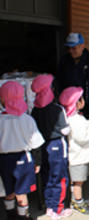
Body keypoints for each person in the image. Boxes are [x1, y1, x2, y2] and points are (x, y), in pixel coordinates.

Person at [0, 81, 45, 220]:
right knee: (22, 192)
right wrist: (37, 162)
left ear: (2, 99)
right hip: (23, 159)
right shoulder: (27, 119)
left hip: (4, 160)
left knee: (9, 190)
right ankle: (23, 216)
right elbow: (36, 143)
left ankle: (10, 214)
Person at [31, 74, 72, 219]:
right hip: (57, 145)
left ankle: (49, 206)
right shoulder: (57, 109)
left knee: (46, 176)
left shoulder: (34, 110)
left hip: (42, 146)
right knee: (59, 177)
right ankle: (58, 209)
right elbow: (65, 130)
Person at [59, 87, 89, 215]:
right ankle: (78, 202)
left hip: (77, 155)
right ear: (77, 103)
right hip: (79, 156)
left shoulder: (71, 117)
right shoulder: (75, 120)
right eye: (81, 98)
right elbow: (82, 138)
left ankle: (75, 198)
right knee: (78, 182)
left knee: (77, 180)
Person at [57, 33, 89, 123]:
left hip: (88, 104)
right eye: (69, 48)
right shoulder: (64, 60)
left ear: (82, 46)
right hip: (69, 105)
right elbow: (60, 80)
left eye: (74, 48)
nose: (71, 51)